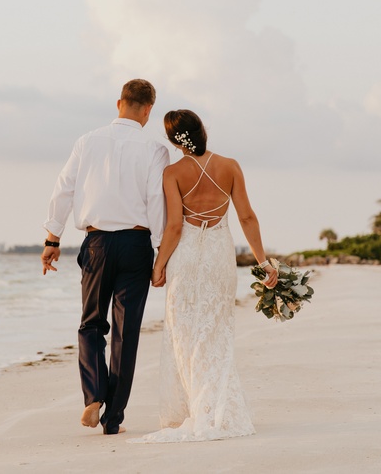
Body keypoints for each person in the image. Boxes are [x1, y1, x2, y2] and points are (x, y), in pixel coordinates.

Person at [130, 108, 277, 444]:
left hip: (186, 258)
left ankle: (194, 410)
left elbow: (174, 226)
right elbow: (248, 217)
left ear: (173, 140)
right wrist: (263, 261)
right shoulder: (230, 166)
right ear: (202, 131)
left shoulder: (172, 173)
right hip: (218, 256)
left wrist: (158, 265)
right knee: (216, 332)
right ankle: (216, 408)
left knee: (184, 334)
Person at [41, 79, 171, 436]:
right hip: (135, 244)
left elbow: (63, 189)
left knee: (91, 323)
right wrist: (161, 254)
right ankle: (113, 418)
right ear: (148, 110)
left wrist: (53, 238)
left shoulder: (87, 141)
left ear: (119, 103)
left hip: (96, 242)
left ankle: (93, 396)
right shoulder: (155, 149)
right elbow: (156, 203)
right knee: (126, 334)